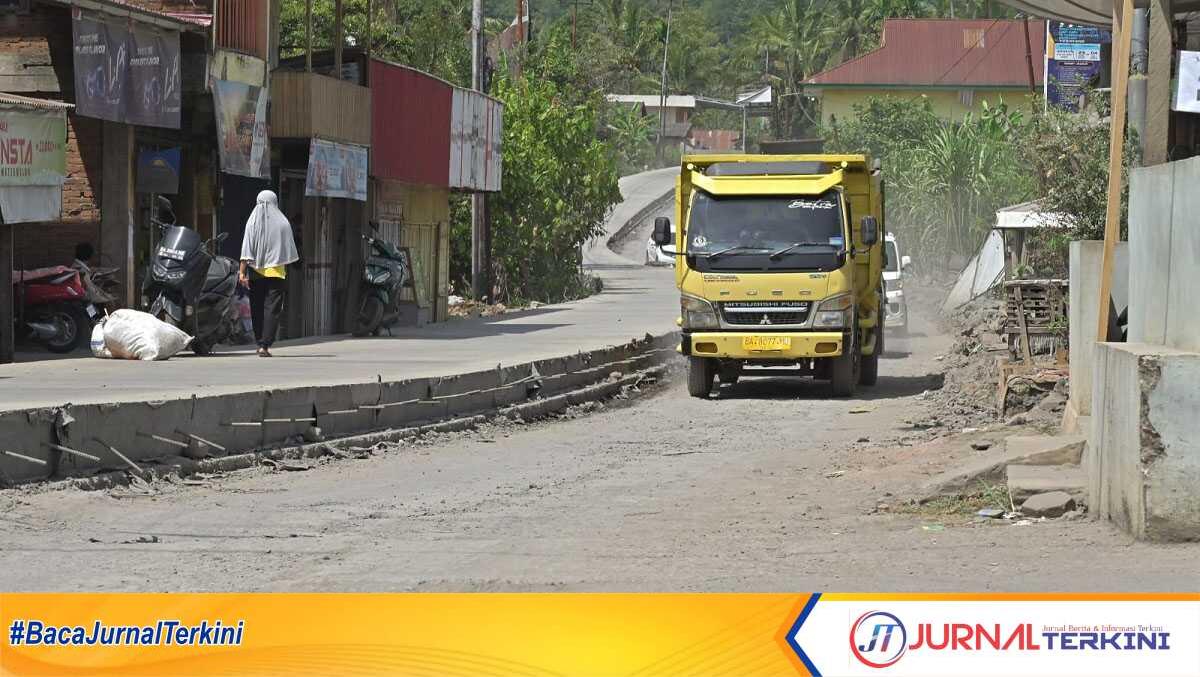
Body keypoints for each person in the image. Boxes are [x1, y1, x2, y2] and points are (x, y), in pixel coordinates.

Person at [239, 190, 299, 357]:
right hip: (277, 273)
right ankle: (265, 345)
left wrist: (242, 272)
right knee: (272, 309)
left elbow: (246, 248)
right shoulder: (283, 223)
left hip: (256, 272)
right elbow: (288, 250)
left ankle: (259, 342)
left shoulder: (252, 222)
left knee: (256, 307)